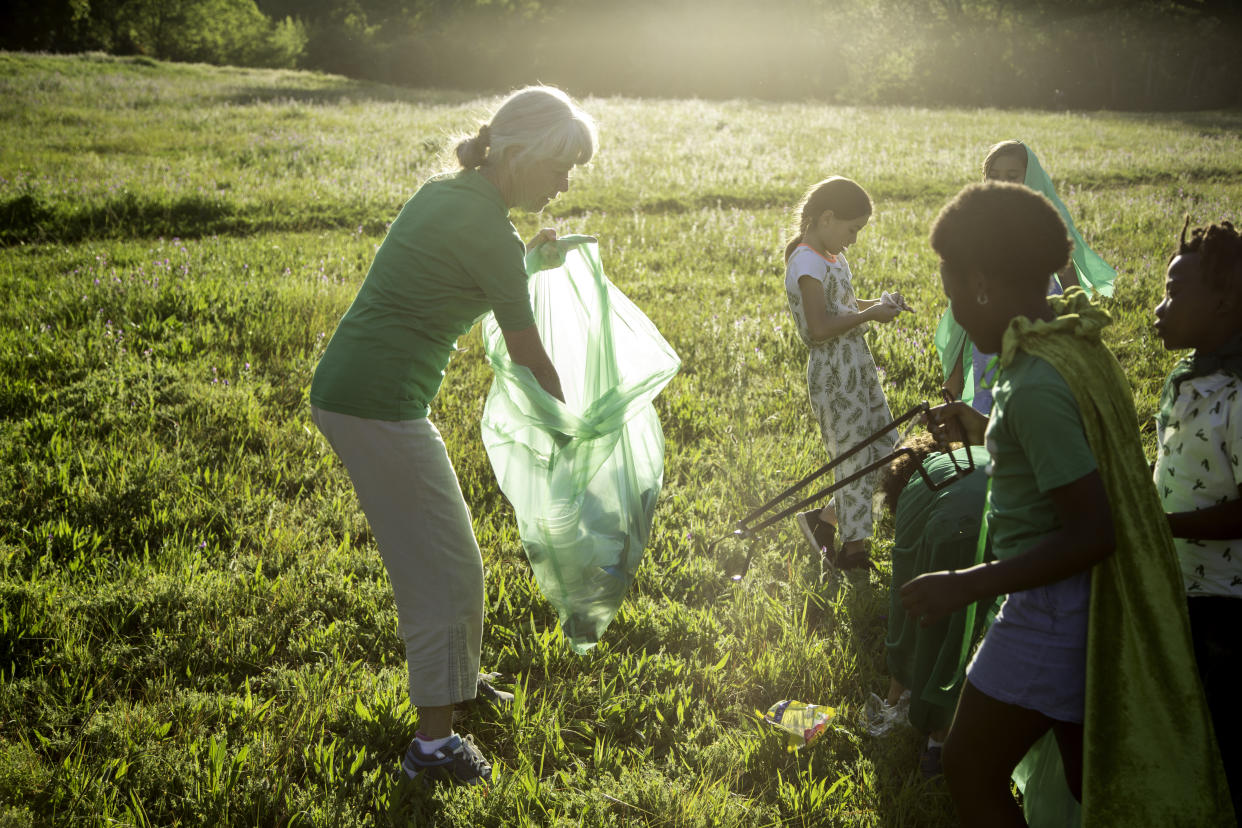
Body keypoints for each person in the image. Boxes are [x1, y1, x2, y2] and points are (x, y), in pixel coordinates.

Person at [902, 182, 1231, 826]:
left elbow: (1091, 532)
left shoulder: (1034, 382)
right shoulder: (1071, 347)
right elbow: (1055, 463)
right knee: (1097, 780)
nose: (957, 318)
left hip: (1050, 614)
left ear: (981, 285)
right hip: (1089, 610)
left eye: (952, 297)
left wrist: (967, 584)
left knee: (969, 766)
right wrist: (984, 432)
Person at [308, 85, 597, 787]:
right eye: (560, 168)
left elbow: (466, 270)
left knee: (446, 559)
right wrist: (576, 425)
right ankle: (433, 746)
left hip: (353, 390)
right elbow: (527, 351)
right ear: (523, 154)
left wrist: (527, 260)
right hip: (380, 406)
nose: (564, 185)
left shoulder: (449, 194)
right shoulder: (489, 231)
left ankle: (456, 678)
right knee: (444, 568)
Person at [1153, 218, 1242, 815]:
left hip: (1227, 609)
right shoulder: (1194, 377)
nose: (1160, 307)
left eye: (1173, 291)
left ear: (1224, 300)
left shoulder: (1238, 395)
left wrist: (1162, 527)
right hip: (1183, 586)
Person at [781, 176, 910, 572]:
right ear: (827, 218)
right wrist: (869, 315)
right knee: (853, 460)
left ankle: (824, 521)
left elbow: (844, 307)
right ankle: (853, 555)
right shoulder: (805, 260)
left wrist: (879, 304)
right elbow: (819, 327)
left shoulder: (832, 257)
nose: (854, 239)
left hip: (857, 364)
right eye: (852, 229)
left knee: (885, 451)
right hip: (833, 372)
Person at [937, 140, 1117, 413]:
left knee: (1036, 397)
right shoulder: (975, 228)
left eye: (1013, 177)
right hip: (991, 330)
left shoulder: (1043, 223)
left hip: (1040, 324)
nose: (1002, 184)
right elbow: (962, 304)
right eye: (994, 176)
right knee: (995, 401)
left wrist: (1081, 337)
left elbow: (1072, 292)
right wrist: (956, 371)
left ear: (1029, 177)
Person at [878, 432, 992, 779]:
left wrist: (896, 688)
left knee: (943, 625)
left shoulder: (915, 491)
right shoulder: (974, 453)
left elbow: (904, 595)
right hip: (1015, 518)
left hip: (956, 530)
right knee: (984, 616)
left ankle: (937, 740)